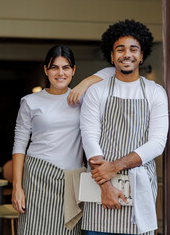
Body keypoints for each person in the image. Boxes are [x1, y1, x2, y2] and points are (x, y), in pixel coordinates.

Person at [11, 45, 114, 235]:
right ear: (46, 70)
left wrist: (84, 84)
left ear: (73, 70)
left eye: (66, 67)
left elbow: (113, 70)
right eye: (54, 67)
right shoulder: (30, 101)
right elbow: (19, 145)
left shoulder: (84, 99)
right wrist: (17, 187)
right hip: (37, 178)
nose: (60, 73)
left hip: (70, 180)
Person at [80, 20, 169, 235]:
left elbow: (157, 144)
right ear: (111, 56)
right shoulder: (96, 91)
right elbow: (89, 138)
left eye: (133, 49)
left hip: (139, 187)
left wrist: (115, 166)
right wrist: (106, 185)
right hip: (100, 186)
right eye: (120, 49)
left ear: (141, 55)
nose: (126, 54)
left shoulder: (155, 92)